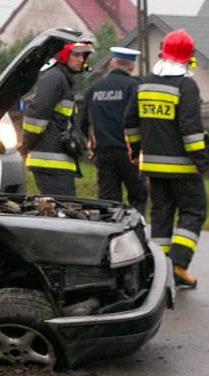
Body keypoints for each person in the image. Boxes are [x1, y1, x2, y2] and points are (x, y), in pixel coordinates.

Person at [124, 28, 208, 288]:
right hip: (183, 168)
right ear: (187, 57)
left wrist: (136, 152)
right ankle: (178, 266)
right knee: (193, 211)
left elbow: (130, 122)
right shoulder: (186, 85)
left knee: (160, 215)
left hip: (153, 168)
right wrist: (202, 162)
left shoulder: (145, 83)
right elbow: (191, 131)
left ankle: (159, 272)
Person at [21, 41, 94, 196]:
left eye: (84, 55)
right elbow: (37, 116)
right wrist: (25, 145)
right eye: (76, 54)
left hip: (57, 162)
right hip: (50, 162)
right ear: (63, 55)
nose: (81, 60)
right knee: (61, 210)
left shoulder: (63, 79)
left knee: (63, 209)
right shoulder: (54, 79)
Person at [80, 47, 148, 214]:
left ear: (112, 63)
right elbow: (142, 120)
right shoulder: (135, 87)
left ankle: (110, 235)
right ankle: (135, 233)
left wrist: (93, 145)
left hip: (103, 153)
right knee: (138, 197)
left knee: (108, 201)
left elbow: (83, 122)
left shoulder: (94, 89)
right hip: (130, 153)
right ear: (131, 66)